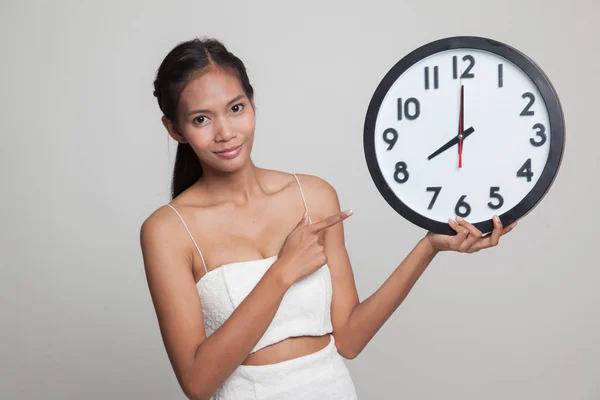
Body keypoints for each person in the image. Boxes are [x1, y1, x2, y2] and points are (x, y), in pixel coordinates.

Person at [140, 37, 517, 400]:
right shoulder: (168, 230)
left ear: (253, 104)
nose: (225, 132)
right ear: (175, 129)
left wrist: (429, 247)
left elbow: (350, 339)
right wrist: (282, 272)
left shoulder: (314, 196)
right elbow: (198, 383)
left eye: (236, 108)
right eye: (202, 119)